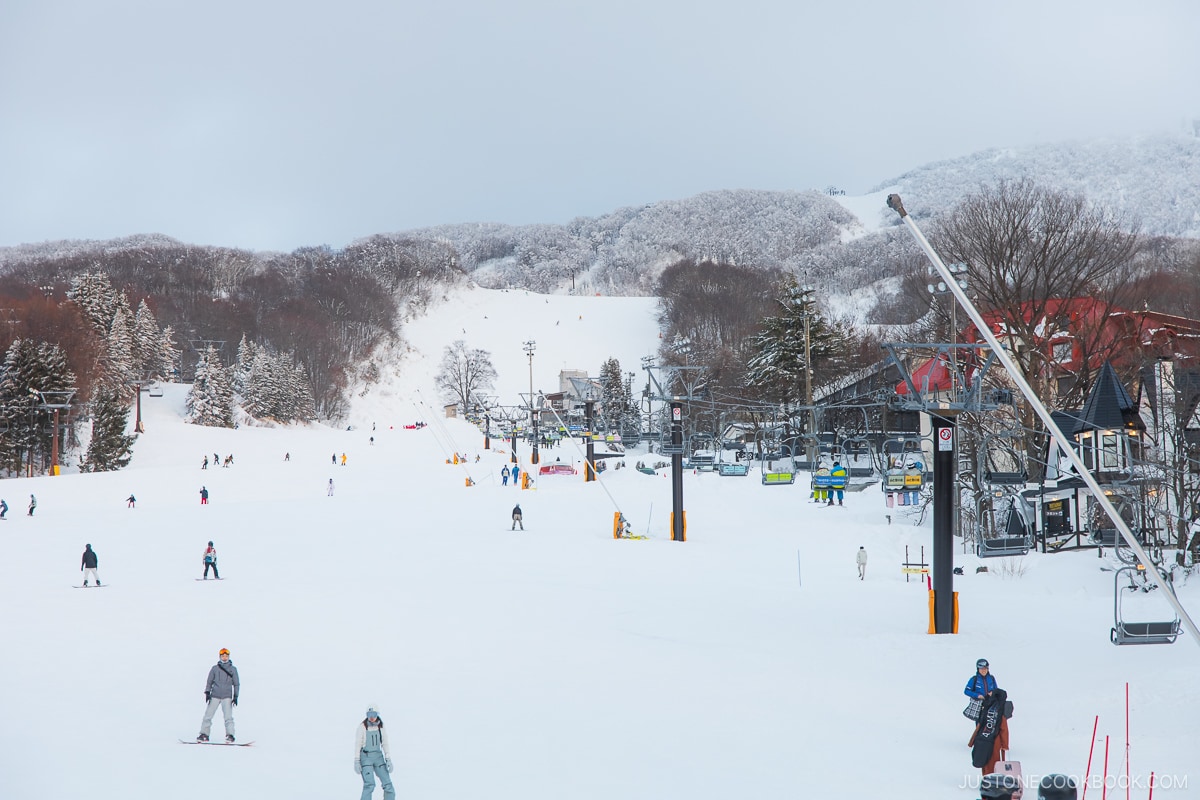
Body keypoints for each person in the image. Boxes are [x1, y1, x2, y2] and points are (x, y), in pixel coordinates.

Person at [198, 647, 239, 743]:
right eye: (223, 656)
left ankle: (230, 735)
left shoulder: (233, 669)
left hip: (227, 696)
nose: (224, 658)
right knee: (208, 716)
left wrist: (236, 696)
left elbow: (236, 684)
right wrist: (207, 692)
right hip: (215, 695)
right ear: (220, 657)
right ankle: (204, 734)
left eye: (226, 656)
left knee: (228, 717)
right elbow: (209, 681)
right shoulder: (215, 669)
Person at [355, 705, 395, 800]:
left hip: (378, 757)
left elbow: (385, 743)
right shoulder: (362, 727)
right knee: (369, 784)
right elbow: (358, 744)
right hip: (366, 757)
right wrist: (357, 760)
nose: (372, 717)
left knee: (387, 784)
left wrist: (388, 758)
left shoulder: (381, 726)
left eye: (374, 714)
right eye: (369, 715)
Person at [968, 688, 1010, 776]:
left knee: (987, 761)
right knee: (992, 761)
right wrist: (1005, 745)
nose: (988, 694)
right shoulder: (999, 711)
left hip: (985, 739)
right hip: (994, 739)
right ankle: (990, 779)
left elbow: (980, 725)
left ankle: (988, 779)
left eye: (991, 693)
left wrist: (972, 741)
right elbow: (1004, 729)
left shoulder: (987, 708)